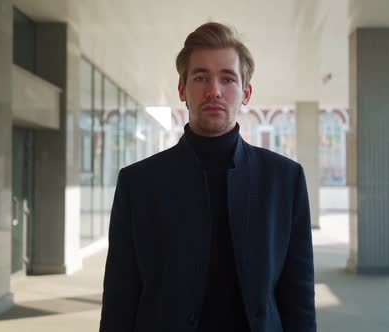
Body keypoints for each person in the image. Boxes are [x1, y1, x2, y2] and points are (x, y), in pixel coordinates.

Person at [100, 22, 316, 332]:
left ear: (246, 92)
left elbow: (298, 297)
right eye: (200, 77)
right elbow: (120, 297)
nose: (214, 90)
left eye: (228, 79)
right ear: (182, 89)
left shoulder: (284, 180)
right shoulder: (138, 183)